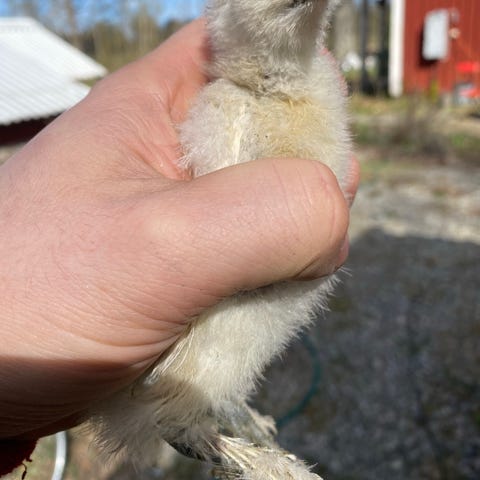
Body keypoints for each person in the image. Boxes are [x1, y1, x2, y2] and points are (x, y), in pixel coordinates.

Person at [0, 18, 359, 472]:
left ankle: (217, 419)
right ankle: (217, 439)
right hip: (163, 367)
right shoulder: (231, 106)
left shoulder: (304, 92)